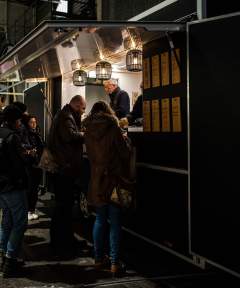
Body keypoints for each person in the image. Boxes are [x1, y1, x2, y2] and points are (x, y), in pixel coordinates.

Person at [83, 101, 131, 276]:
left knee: (99, 220)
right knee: (115, 223)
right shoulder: (113, 126)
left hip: (96, 180)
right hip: (112, 180)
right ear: (107, 111)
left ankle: (97, 259)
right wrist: (126, 141)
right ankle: (114, 263)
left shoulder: (87, 128)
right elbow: (124, 153)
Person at [48, 95, 86, 256]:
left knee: (63, 207)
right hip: (65, 168)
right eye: (83, 108)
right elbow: (69, 136)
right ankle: (62, 243)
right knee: (63, 207)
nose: (83, 112)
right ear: (77, 105)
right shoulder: (66, 117)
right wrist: (86, 134)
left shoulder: (64, 114)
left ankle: (64, 240)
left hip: (63, 167)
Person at [0, 105, 28, 278]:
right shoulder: (12, 137)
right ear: (13, 120)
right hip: (13, 186)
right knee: (20, 223)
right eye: (18, 120)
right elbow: (18, 164)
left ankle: (4, 255)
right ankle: (10, 259)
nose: (20, 123)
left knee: (7, 221)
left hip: (1, 186)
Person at [21, 115, 44, 221]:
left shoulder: (37, 132)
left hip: (37, 163)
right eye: (31, 122)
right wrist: (31, 149)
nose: (34, 124)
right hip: (30, 164)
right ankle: (28, 211)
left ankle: (31, 210)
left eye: (35, 122)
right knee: (30, 188)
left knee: (34, 188)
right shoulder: (25, 133)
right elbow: (25, 146)